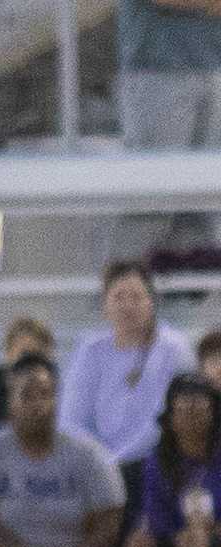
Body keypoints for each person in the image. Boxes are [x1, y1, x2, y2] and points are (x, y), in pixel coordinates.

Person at [0, 353, 125, 547]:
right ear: (11, 401)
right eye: (27, 395)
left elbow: (108, 523)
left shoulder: (88, 454)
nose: (37, 404)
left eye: (45, 394)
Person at [62, 261, 192, 482]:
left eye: (136, 297)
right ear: (104, 305)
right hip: (96, 468)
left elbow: (164, 421)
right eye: (118, 297)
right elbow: (71, 419)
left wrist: (116, 462)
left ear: (152, 303)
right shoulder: (91, 350)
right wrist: (98, 461)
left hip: (156, 463)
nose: (127, 305)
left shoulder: (173, 348)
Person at [114, 0, 221, 256]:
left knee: (208, 206)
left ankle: (194, 294)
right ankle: (120, 288)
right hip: (157, 73)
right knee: (151, 202)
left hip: (213, 69)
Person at [126, 374, 221, 547]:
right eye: (183, 410)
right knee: (140, 542)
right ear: (171, 418)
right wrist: (186, 530)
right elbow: (156, 519)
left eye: (199, 410)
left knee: (194, 539)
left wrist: (208, 528)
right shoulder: (158, 463)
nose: (191, 418)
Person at [0, 315, 54, 431]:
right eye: (24, 354)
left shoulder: (63, 393)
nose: (29, 361)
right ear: (8, 354)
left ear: (48, 355)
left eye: (36, 354)